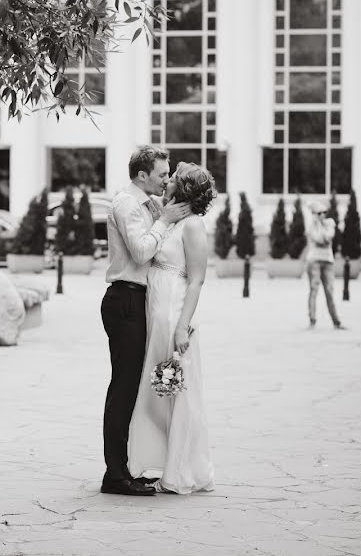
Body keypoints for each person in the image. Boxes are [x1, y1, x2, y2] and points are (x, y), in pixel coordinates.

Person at [99, 146, 191, 496]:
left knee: (133, 388)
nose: (166, 179)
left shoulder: (148, 204)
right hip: (124, 299)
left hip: (140, 300)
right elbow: (140, 252)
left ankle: (127, 467)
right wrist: (164, 220)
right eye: (161, 174)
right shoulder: (126, 204)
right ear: (141, 175)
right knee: (123, 388)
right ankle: (115, 475)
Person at [127, 162, 216, 494]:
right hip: (156, 310)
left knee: (173, 391)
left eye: (174, 178)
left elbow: (197, 281)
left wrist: (183, 327)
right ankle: (161, 459)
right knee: (155, 393)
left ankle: (179, 471)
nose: (167, 181)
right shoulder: (171, 218)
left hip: (171, 313)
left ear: (186, 189)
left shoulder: (193, 225)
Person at [306, 201, 346, 330]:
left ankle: (336, 321)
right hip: (314, 261)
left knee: (330, 291)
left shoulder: (330, 223)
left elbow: (327, 238)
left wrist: (321, 229)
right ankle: (312, 319)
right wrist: (317, 225)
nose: (322, 215)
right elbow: (318, 238)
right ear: (313, 214)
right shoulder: (311, 226)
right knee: (314, 289)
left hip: (328, 261)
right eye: (319, 213)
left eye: (324, 212)